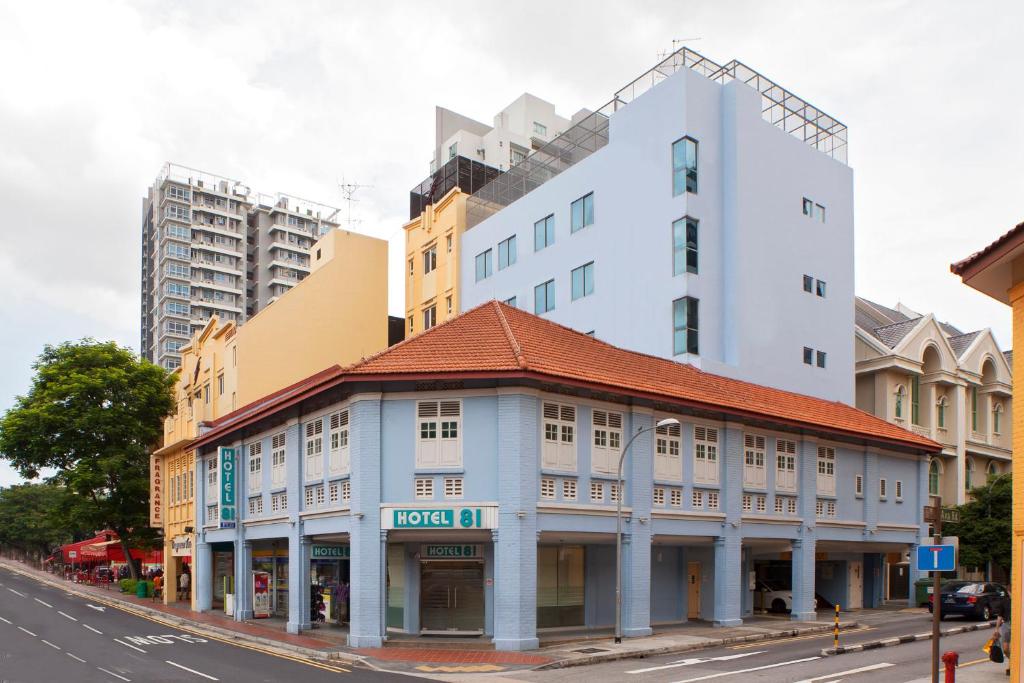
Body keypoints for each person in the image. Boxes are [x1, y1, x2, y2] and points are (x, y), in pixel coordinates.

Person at [993, 601, 1011, 677]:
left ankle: (1012, 666)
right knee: (1005, 649)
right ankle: (1014, 661)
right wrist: (996, 629)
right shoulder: (1005, 602)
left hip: (1019, 624)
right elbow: (1000, 616)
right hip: (1007, 624)